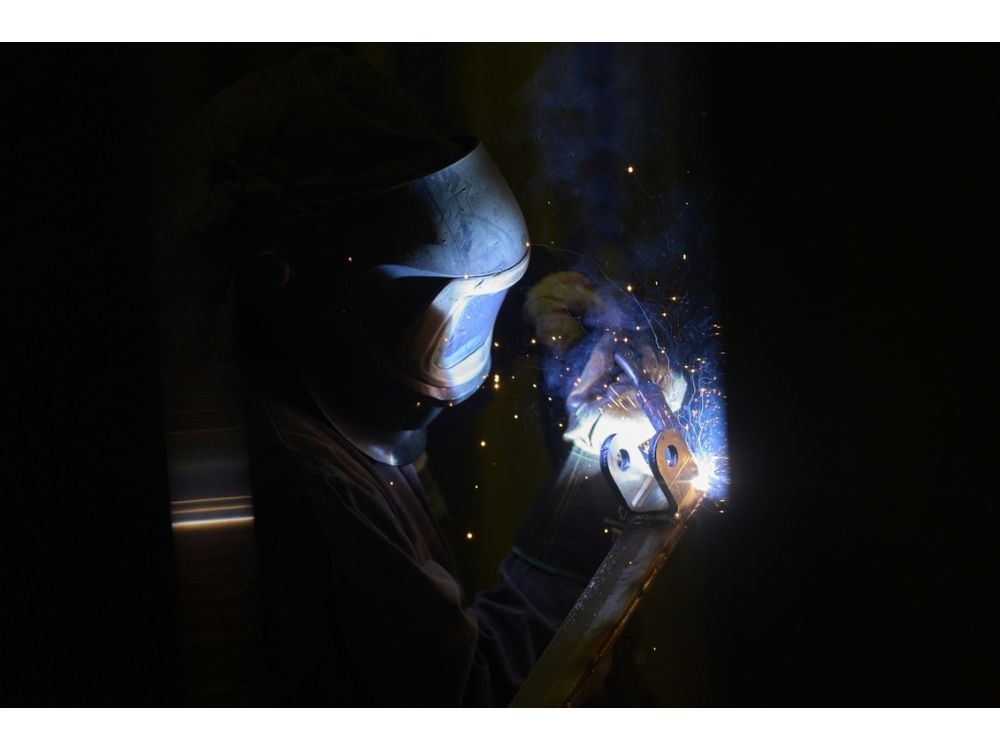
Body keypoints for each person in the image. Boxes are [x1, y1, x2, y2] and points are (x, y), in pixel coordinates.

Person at [159, 47, 681, 706]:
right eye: (464, 311)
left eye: (488, 298)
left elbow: (407, 313)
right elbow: (475, 706)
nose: (474, 335)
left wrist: (532, 310)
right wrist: (589, 513)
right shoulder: (305, 494)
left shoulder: (329, 370)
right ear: (294, 283)